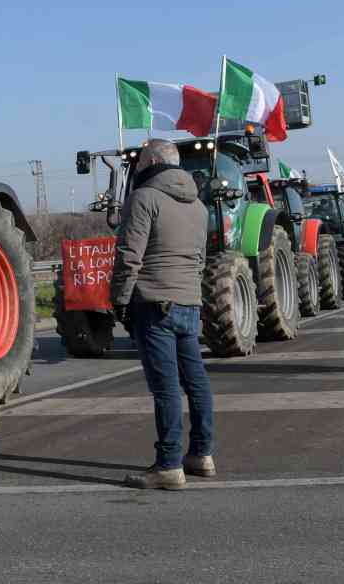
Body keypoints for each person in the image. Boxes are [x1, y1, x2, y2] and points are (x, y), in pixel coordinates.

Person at [110, 138, 215, 490]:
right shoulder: (198, 205)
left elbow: (129, 255)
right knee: (196, 382)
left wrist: (120, 300)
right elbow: (200, 258)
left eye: (140, 160)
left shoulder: (144, 199)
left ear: (153, 160)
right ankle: (201, 453)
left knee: (166, 388)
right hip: (189, 302)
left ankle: (169, 465)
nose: (137, 166)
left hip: (154, 303)